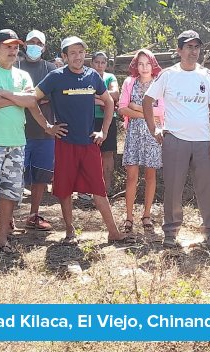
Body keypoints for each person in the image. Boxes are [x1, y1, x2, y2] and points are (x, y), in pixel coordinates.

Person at [34, 36, 133, 245]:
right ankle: (70, 231)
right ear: (64, 56)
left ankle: (113, 232)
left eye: (80, 52)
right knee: (65, 189)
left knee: (99, 188)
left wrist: (103, 131)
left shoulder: (92, 76)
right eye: (72, 53)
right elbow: (32, 99)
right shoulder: (55, 77)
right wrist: (47, 127)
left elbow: (108, 102)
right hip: (65, 143)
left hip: (89, 144)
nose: (77, 57)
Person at [0, 29, 62, 254]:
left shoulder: (23, 76)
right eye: (7, 46)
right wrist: (16, 99)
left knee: (9, 193)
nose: (13, 51)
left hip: (16, 143)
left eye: (15, 47)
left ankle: (3, 239)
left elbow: (31, 101)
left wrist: (3, 93)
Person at [143, 30, 210, 250]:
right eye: (188, 47)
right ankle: (170, 232)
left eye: (196, 47)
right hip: (175, 140)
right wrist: (154, 129)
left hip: (202, 142)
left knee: (205, 188)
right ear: (179, 50)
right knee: (173, 188)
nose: (193, 51)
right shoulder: (168, 75)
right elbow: (147, 100)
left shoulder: (206, 75)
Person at [117, 49, 164, 235]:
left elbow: (161, 111)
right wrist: (145, 112)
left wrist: (135, 107)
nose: (144, 68)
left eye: (147, 63)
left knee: (150, 176)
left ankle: (146, 215)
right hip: (134, 135)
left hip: (153, 134)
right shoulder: (130, 82)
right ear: (135, 66)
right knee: (131, 176)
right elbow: (122, 108)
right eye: (140, 64)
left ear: (153, 65)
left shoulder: (159, 84)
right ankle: (129, 217)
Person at [16, 29, 58, 231]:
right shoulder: (15, 67)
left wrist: (27, 98)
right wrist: (37, 98)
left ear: (44, 47)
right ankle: (9, 218)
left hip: (45, 131)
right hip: (17, 131)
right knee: (15, 175)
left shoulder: (51, 69)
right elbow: (14, 95)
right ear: (24, 44)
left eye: (38, 43)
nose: (35, 46)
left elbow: (54, 95)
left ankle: (34, 214)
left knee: (41, 176)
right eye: (31, 42)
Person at [91, 51, 120, 195]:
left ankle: (107, 187)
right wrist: (106, 100)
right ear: (92, 63)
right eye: (97, 62)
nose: (99, 65)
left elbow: (115, 94)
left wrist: (96, 97)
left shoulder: (110, 77)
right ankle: (91, 187)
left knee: (107, 153)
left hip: (108, 119)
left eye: (103, 62)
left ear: (106, 64)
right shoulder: (87, 77)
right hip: (90, 118)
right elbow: (84, 97)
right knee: (90, 153)